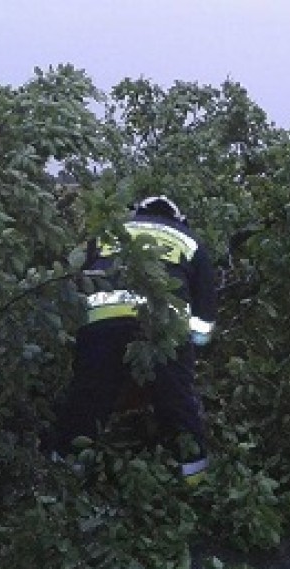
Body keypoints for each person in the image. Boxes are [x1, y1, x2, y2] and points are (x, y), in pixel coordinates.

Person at [53, 195, 217, 485]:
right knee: (177, 403)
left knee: (87, 399)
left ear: (137, 212)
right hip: (162, 325)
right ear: (179, 219)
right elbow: (203, 323)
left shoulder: (107, 233)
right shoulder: (191, 242)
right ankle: (195, 484)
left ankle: (64, 480)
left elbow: (74, 282)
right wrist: (192, 352)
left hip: (101, 320)